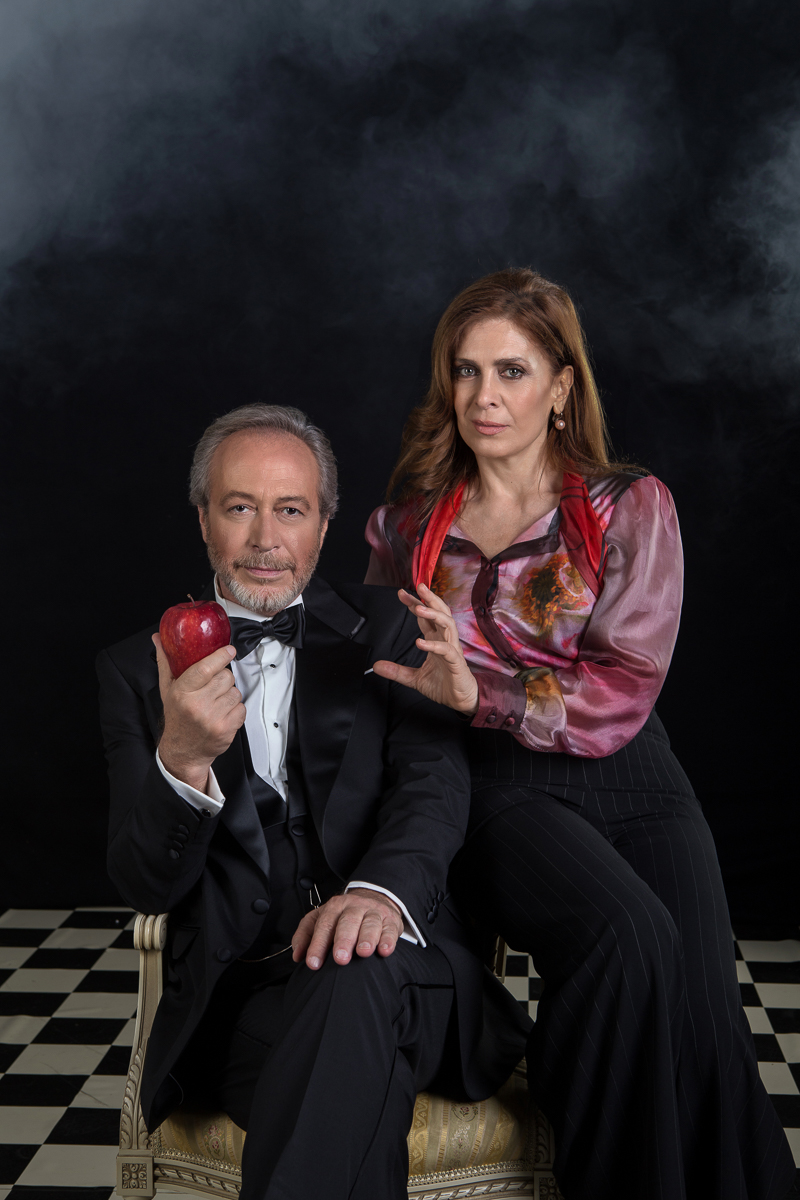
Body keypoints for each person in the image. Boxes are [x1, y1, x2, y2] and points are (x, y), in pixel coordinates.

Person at [364, 269, 796, 1200]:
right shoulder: (407, 528)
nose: (485, 397)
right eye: (467, 371)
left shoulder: (628, 506)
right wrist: (448, 710)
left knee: (706, 1018)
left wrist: (477, 688)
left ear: (562, 387)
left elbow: (625, 684)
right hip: (497, 786)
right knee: (629, 937)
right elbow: (386, 677)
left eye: (512, 372)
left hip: (638, 778)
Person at [97, 404, 529, 1200]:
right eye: (240, 507)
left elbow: (433, 791)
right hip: (249, 1005)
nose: (266, 539)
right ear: (203, 519)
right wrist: (184, 759)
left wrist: (377, 895)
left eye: (291, 510)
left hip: (410, 973)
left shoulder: (393, 630)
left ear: (325, 525)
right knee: (345, 1084)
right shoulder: (136, 670)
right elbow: (145, 885)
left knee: (353, 980)